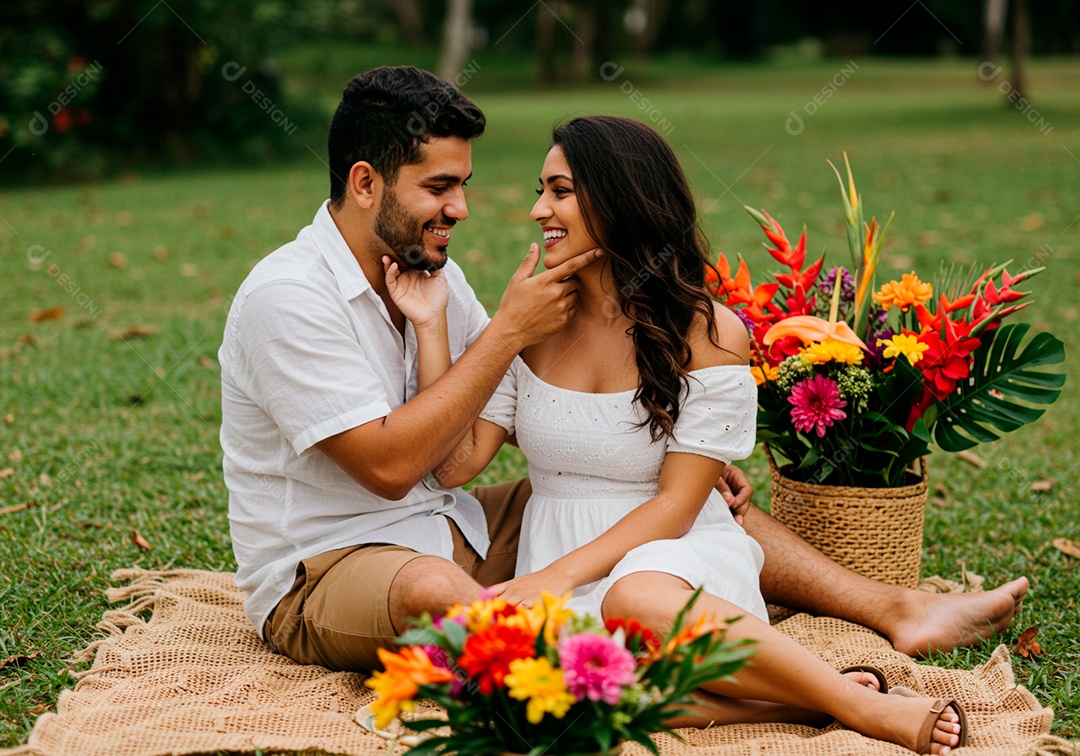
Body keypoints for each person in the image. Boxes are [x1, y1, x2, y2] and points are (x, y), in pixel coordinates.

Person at [219, 66, 1026, 687]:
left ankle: (896, 607)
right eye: (440, 187)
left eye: (463, 183)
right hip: (330, 563)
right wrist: (503, 334)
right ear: (366, 184)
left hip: (451, 522)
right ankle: (733, 683)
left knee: (664, 491)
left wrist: (691, 464)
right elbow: (398, 466)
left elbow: (469, 444)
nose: (463, 208)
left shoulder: (432, 271)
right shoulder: (289, 298)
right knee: (439, 585)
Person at [398, 115, 971, 752]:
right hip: (556, 554)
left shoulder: (709, 332)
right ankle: (802, 701)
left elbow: (676, 505)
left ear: (620, 199)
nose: (538, 210)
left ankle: (858, 708)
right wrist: (431, 325)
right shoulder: (529, 322)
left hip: (674, 564)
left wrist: (554, 579)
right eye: (542, 190)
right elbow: (450, 466)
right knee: (537, 697)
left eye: (559, 191)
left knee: (634, 597)